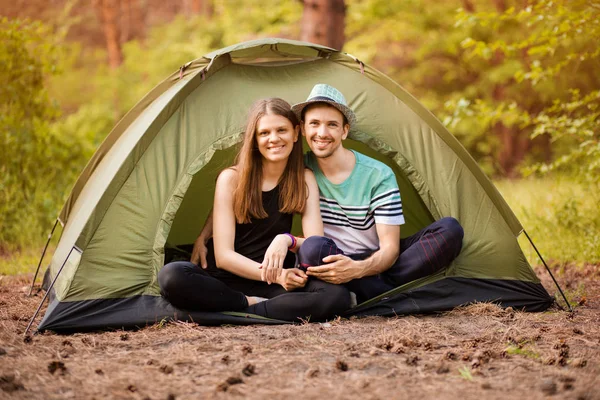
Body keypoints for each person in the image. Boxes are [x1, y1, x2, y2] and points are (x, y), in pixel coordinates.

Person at [159, 98, 351, 321]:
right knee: (171, 276)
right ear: (254, 139)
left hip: (272, 278)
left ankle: (240, 310)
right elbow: (223, 257)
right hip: (227, 278)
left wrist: (286, 240)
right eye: (264, 133)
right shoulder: (231, 179)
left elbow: (315, 241)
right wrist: (278, 276)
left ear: (296, 133)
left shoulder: (303, 177)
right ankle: (247, 304)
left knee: (336, 297)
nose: (274, 139)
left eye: (281, 130)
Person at [292, 84, 465, 304]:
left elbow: (390, 249)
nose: (322, 133)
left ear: (344, 131)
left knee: (450, 230)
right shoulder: (297, 169)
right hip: (329, 257)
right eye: (314, 124)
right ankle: (387, 294)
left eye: (332, 125)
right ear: (303, 128)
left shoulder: (377, 174)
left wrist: (357, 270)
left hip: (376, 258)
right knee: (312, 248)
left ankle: (371, 291)